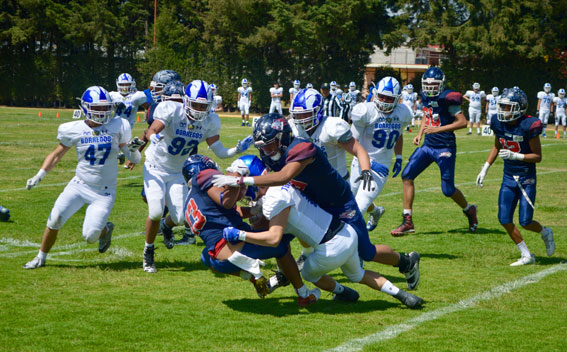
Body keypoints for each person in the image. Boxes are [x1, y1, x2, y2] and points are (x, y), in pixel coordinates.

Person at [212, 114, 421, 288]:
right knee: (280, 235)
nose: (266, 151)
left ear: (283, 138)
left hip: (338, 202)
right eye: (263, 146)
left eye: (270, 145)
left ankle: (406, 261)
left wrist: (243, 180)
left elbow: (284, 177)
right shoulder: (272, 152)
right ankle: (286, 275)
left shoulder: (302, 148)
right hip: (311, 200)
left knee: (365, 251)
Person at [223, 182, 424, 308]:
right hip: (346, 232)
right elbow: (254, 212)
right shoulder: (283, 187)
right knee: (358, 274)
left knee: (309, 274)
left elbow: (273, 237)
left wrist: (240, 234)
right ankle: (403, 296)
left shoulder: (273, 201)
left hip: (331, 247)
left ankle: (342, 292)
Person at [141, 79, 253, 273]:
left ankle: (167, 228)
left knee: (181, 217)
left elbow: (219, 151)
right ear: (186, 101)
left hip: (177, 171)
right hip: (155, 167)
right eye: (196, 104)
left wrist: (236, 149)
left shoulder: (209, 121)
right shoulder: (171, 110)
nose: (200, 109)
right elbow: (151, 129)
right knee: (157, 211)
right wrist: (153, 137)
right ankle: (148, 252)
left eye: (204, 105)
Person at [24, 86, 141, 269]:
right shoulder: (74, 128)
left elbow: (134, 159)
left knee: (90, 236)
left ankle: (104, 230)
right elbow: (57, 155)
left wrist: (133, 152)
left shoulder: (118, 125)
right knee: (55, 218)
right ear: (86, 108)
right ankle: (41, 257)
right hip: (79, 185)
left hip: (104, 192)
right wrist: (40, 175)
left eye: (105, 107)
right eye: (98, 108)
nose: (103, 112)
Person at [185, 156, 320, 307]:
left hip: (217, 260)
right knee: (280, 246)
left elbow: (229, 211)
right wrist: (237, 177)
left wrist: (254, 210)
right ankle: (303, 295)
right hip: (234, 247)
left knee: (204, 256)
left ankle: (251, 277)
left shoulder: (190, 202)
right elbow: (227, 202)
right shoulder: (203, 175)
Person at [391, 67, 478, 236]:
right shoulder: (425, 96)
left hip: (445, 147)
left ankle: (469, 210)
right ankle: (407, 220)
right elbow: (426, 114)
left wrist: (438, 130)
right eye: (427, 85)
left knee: (447, 190)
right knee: (407, 175)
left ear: (441, 84)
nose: (430, 88)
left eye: (434, 85)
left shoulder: (448, 98)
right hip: (428, 146)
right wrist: (420, 133)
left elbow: (462, 122)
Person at [288, 87, 372, 261]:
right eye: (298, 115)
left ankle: (363, 256)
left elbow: (358, 150)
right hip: (310, 187)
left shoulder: (332, 127)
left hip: (337, 188)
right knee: (302, 223)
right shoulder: (295, 129)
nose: (301, 119)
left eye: (306, 114)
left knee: (354, 237)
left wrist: (365, 170)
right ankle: (307, 254)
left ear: (318, 111)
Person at [475, 87, 555, 266]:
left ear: (519, 108)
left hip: (526, 178)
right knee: (504, 218)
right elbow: (497, 145)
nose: (502, 111)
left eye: (507, 107)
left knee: (525, 221)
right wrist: (485, 168)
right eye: (502, 106)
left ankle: (545, 232)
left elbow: (538, 157)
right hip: (508, 177)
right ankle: (526, 255)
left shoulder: (528, 125)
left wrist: (516, 156)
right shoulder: (498, 122)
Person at [350, 77, 414, 231]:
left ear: (397, 99)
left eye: (389, 98)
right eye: (382, 96)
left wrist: (398, 157)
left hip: (380, 168)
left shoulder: (403, 113)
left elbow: (397, 133)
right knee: (349, 201)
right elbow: (352, 142)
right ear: (375, 94)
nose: (385, 101)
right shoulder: (366, 110)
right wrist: (367, 162)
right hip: (359, 162)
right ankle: (376, 211)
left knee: (356, 209)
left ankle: (360, 250)